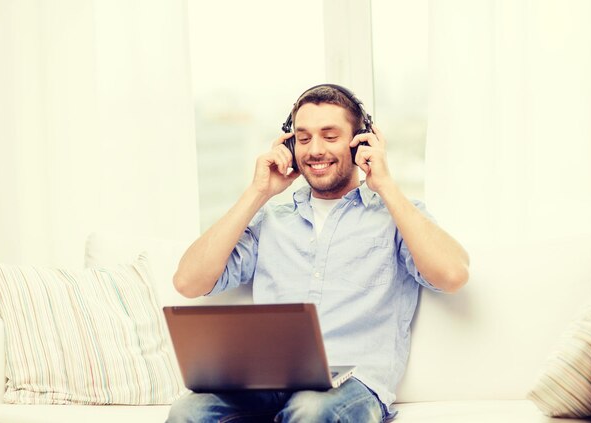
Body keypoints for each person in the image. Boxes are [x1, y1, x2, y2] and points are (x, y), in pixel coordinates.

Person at [167, 84, 470, 423]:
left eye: (329, 136)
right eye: (304, 137)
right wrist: (258, 192)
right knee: (187, 412)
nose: (314, 150)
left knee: (310, 410)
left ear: (361, 142)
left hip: (352, 385)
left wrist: (384, 184)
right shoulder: (272, 221)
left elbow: (453, 274)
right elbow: (188, 282)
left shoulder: (396, 216)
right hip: (268, 382)